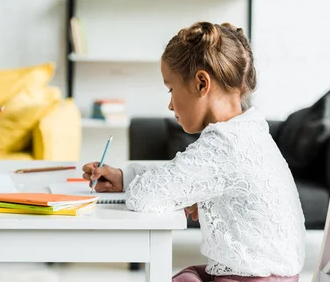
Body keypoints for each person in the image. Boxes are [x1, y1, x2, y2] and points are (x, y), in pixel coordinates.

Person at [82, 22, 306, 282]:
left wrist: (149, 188)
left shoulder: (226, 142)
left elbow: (145, 197)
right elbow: (177, 176)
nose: (169, 103)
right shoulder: (248, 129)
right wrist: (125, 177)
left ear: (201, 83)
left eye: (171, 88)